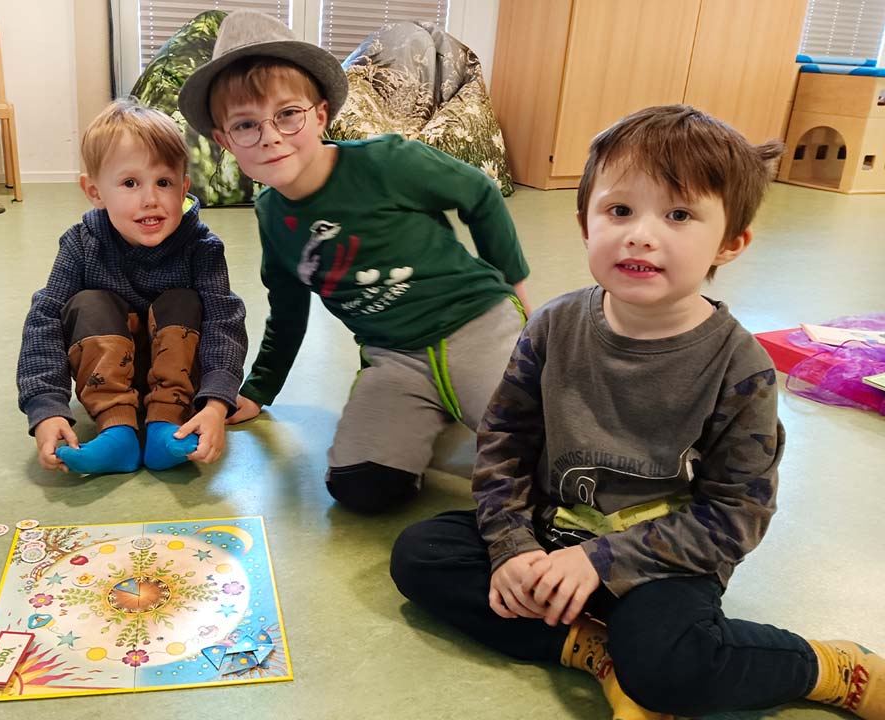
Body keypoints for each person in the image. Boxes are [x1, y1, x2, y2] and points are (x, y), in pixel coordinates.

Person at [390, 105, 884, 720]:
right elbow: (504, 445)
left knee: (670, 664)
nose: (641, 234)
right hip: (552, 532)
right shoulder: (551, 327)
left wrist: (601, 561)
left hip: (663, 562)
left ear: (731, 243)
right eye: (619, 210)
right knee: (421, 554)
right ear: (585, 222)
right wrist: (514, 547)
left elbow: (736, 515)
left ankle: (827, 667)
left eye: (679, 215)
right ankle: (594, 651)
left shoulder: (740, 366)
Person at [177, 11, 531, 513]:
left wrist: (516, 290)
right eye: (246, 125)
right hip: (395, 358)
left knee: (539, 459)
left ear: (320, 115)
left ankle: (483, 409)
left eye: (287, 114)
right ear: (225, 142)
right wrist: (258, 390)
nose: (271, 136)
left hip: (477, 325)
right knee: (361, 489)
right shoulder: (272, 214)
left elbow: (480, 193)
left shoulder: (386, 162)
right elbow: (288, 308)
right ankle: (438, 417)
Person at [17, 99, 247, 475]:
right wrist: (45, 407)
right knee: (87, 302)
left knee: (185, 301)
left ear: (184, 186)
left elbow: (225, 321)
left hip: (179, 384)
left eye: (164, 182)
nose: (150, 199)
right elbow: (43, 320)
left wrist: (218, 404)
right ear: (94, 192)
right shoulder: (80, 243)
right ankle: (118, 431)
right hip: (107, 377)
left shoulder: (202, 247)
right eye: (129, 183)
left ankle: (165, 430)